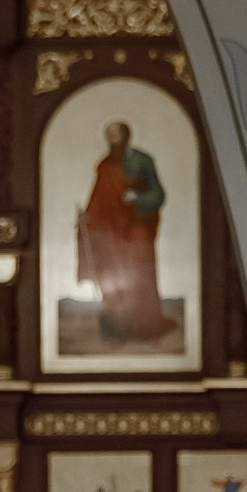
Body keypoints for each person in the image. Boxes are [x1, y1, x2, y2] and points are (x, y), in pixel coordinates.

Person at [75, 118, 171, 345]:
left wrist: (137, 197)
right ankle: (115, 333)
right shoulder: (105, 167)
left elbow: (159, 195)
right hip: (110, 234)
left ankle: (147, 331)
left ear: (126, 137)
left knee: (140, 279)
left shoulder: (143, 161)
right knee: (111, 281)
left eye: (116, 136)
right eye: (108, 137)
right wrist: (85, 218)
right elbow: (98, 201)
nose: (112, 142)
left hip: (137, 230)